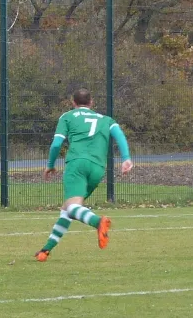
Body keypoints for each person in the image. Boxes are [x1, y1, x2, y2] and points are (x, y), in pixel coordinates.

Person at [35, 88, 133, 262]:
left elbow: (57, 144)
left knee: (72, 208)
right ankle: (46, 250)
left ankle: (97, 222)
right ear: (91, 102)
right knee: (68, 210)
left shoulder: (67, 116)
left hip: (77, 164)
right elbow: (119, 135)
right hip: (97, 168)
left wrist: (50, 165)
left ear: (73, 103)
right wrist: (126, 158)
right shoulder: (106, 119)